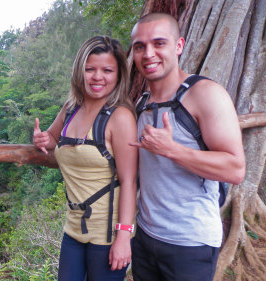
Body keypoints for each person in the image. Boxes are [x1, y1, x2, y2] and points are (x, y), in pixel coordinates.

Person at [129, 13, 246, 281]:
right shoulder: (142, 103)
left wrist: (172, 150)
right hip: (146, 236)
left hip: (190, 242)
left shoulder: (205, 95)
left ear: (179, 46)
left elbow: (235, 169)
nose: (148, 54)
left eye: (159, 43)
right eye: (139, 46)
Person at [33, 36, 138, 281]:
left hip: (107, 235)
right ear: (79, 71)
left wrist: (123, 236)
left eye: (107, 70)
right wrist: (41, 140)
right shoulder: (72, 108)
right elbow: (52, 137)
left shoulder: (120, 118)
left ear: (119, 74)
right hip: (73, 231)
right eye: (90, 69)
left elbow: (129, 181)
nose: (97, 77)